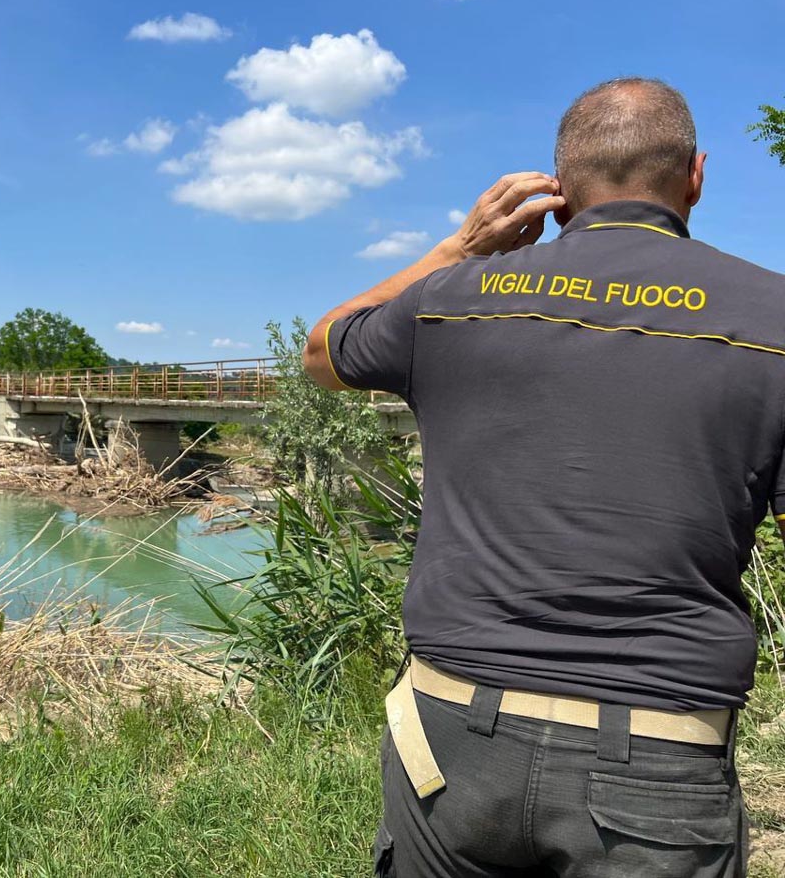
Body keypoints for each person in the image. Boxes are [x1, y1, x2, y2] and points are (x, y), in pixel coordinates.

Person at [302, 77, 784, 877]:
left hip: (447, 744)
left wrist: (462, 248)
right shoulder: (771, 320)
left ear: (557, 194)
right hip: (660, 756)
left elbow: (322, 351)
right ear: (696, 176)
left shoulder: (451, 300)